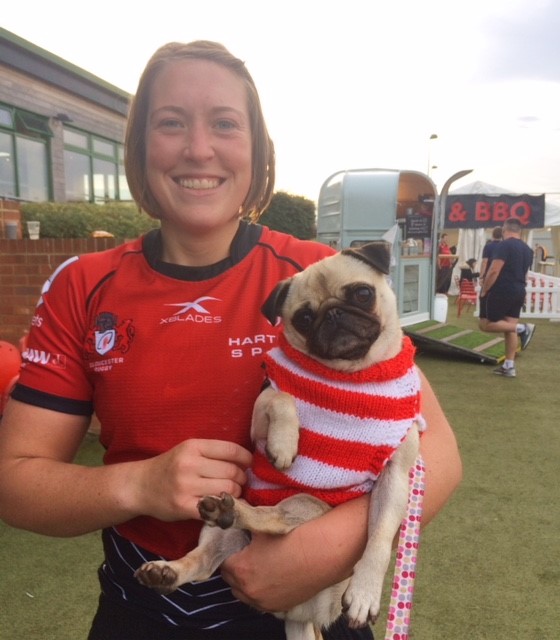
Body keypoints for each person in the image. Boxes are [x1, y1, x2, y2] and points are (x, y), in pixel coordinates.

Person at [0, 41, 462, 640]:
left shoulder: (317, 276)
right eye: (171, 124)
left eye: (224, 123)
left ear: (258, 151)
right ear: (139, 147)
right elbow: (15, 481)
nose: (199, 148)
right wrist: (137, 484)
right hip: (146, 607)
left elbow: (437, 453)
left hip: (314, 609)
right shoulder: (84, 286)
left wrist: (325, 549)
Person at [478, 217, 535, 378]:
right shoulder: (527, 249)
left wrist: (485, 290)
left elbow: (494, 270)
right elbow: (524, 274)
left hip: (502, 289)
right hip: (519, 289)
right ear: (520, 231)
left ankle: (523, 328)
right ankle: (509, 366)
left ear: (504, 230)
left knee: (485, 324)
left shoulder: (504, 245)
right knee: (509, 327)